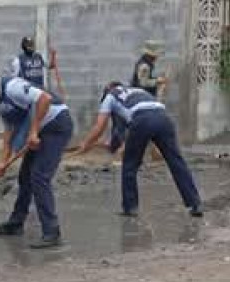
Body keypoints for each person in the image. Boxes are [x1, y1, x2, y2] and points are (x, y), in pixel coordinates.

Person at [0, 68, 73, 249]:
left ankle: (52, 233)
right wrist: (3, 162)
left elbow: (44, 98)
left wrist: (33, 131)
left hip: (56, 125)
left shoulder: (13, 87)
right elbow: (9, 130)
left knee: (39, 177)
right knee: (25, 178)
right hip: (40, 129)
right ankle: (16, 223)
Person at [73, 82, 202, 218]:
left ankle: (130, 207)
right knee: (176, 163)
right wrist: (108, 145)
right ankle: (195, 204)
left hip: (142, 120)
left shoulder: (110, 97)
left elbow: (99, 127)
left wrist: (85, 145)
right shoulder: (137, 92)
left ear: (107, 91)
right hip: (164, 119)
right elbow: (117, 136)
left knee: (130, 165)